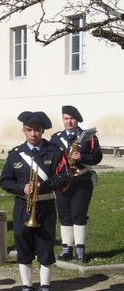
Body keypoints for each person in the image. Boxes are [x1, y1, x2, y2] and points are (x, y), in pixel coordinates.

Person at [0, 111, 70, 291]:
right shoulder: (15, 153)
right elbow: (5, 181)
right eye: (29, 130)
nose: (33, 134)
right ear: (24, 130)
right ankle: (27, 290)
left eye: (37, 130)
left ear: (43, 131)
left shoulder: (55, 152)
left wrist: (43, 186)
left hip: (46, 205)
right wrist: (21, 188)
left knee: (46, 248)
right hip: (23, 206)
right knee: (23, 248)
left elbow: (65, 177)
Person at [50, 105, 102, 263]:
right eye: (66, 118)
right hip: (62, 182)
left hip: (81, 181)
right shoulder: (56, 138)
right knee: (64, 215)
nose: (69, 121)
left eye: (72, 118)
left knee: (79, 215)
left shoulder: (88, 136)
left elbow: (97, 157)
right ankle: (66, 248)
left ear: (77, 119)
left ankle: (80, 249)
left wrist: (82, 157)